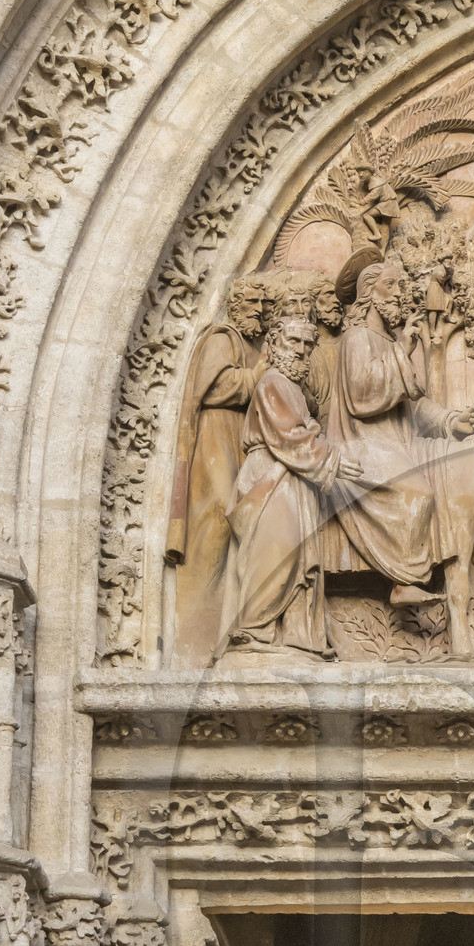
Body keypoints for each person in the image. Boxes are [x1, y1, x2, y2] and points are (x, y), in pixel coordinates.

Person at [320, 258, 474, 603]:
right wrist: (400, 353)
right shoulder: (356, 338)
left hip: (399, 442)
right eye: (390, 285)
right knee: (417, 493)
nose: (398, 294)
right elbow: (363, 396)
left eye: (399, 286)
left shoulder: (394, 339)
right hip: (360, 444)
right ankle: (403, 582)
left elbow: (414, 403)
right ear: (369, 292)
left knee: (456, 477)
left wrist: (450, 421)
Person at [215, 317, 360, 659]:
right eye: (293, 342)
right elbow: (289, 435)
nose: (301, 351)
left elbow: (302, 429)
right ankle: (254, 629)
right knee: (276, 550)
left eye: (308, 345)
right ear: (274, 344)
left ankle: (298, 637)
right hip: (271, 477)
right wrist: (332, 458)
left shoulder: (294, 389)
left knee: (300, 557)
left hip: (294, 477)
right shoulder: (272, 382)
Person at [166, 277, 271, 662]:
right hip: (215, 436)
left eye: (263, 304)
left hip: (238, 439)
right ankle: (195, 631)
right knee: (217, 520)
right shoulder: (222, 339)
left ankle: (228, 621)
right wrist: (255, 376)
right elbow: (211, 388)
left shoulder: (251, 345)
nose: (258, 310)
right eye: (252, 303)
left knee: (240, 524)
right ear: (236, 304)